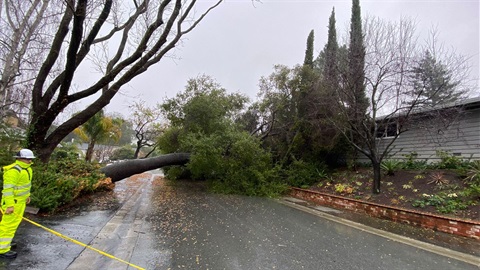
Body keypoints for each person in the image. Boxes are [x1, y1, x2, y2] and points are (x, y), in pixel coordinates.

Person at [0, 149, 35, 259]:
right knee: (7, 226)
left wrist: (27, 196)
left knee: (13, 225)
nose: (29, 161)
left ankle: (5, 243)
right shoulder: (13, 171)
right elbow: (7, 190)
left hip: (20, 203)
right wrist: (10, 205)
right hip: (12, 204)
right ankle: (2, 249)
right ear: (19, 159)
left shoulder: (27, 169)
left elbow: (24, 186)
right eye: (27, 159)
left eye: (30, 159)